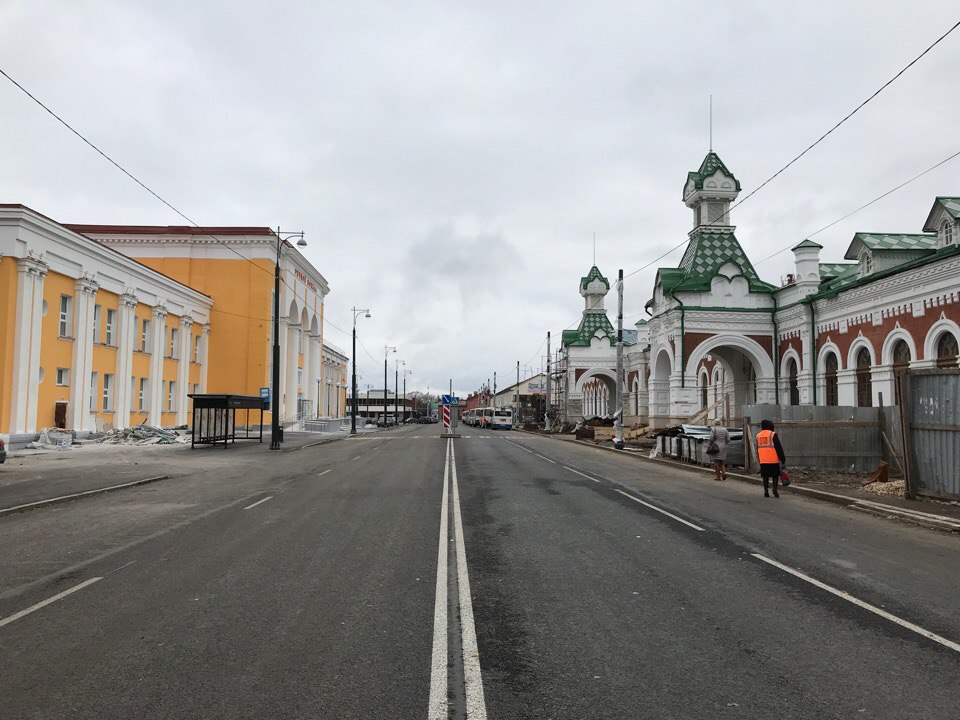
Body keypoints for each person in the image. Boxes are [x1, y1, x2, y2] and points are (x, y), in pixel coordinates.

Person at [756, 419, 786, 498]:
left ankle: (766, 491)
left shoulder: (758, 435)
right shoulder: (773, 434)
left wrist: (758, 458)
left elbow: (757, 448)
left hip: (763, 460)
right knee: (775, 475)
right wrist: (782, 458)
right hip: (773, 459)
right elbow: (778, 447)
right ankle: (775, 490)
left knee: (765, 476)